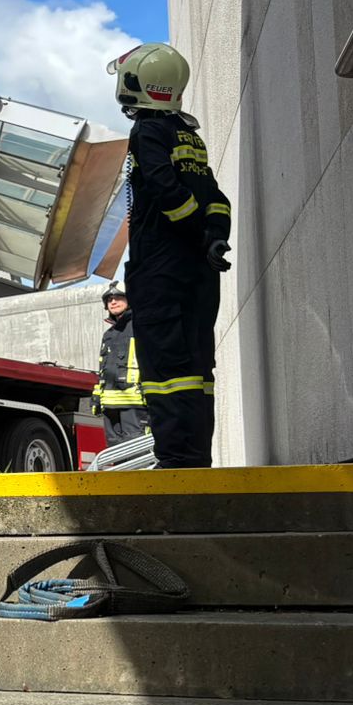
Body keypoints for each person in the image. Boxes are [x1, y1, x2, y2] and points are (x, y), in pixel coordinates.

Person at [107, 44, 231, 468]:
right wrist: (213, 237)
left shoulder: (147, 132)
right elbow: (216, 197)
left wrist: (192, 229)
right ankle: (195, 457)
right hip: (200, 270)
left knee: (165, 369)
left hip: (162, 268)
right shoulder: (189, 136)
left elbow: (162, 190)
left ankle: (176, 459)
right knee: (198, 368)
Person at [92, 284, 146, 445]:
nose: (113, 301)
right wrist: (97, 397)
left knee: (135, 450)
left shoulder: (140, 326)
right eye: (109, 299)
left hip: (135, 402)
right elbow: (103, 369)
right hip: (109, 404)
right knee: (114, 451)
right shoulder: (108, 334)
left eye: (118, 297)